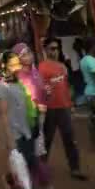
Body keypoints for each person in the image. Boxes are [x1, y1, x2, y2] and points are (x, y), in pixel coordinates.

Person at [0, 52, 58, 189]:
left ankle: (9, 179)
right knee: (22, 163)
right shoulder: (3, 86)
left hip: (28, 128)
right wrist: (9, 139)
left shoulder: (21, 82)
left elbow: (29, 104)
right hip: (15, 132)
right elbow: (3, 114)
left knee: (29, 160)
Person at [38, 37, 88, 180]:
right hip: (50, 110)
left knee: (70, 140)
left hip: (64, 108)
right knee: (46, 141)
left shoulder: (62, 67)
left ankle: (75, 169)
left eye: (57, 48)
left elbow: (66, 88)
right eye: (51, 49)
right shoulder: (41, 67)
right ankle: (41, 170)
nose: (55, 51)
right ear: (45, 50)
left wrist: (70, 105)